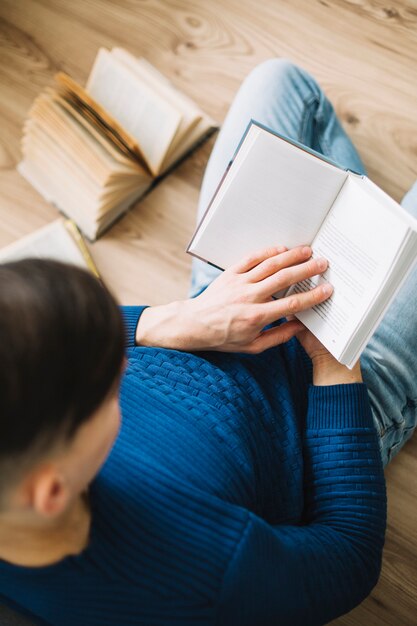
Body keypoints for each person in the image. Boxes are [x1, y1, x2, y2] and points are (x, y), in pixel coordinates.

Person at [0, 58, 415, 626]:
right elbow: (349, 556)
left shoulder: (30, 455)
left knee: (279, 84)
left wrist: (173, 320)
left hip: (218, 318)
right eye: (107, 383)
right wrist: (336, 358)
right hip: (336, 393)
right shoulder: (201, 576)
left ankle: (369, 235)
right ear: (51, 492)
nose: (125, 364)